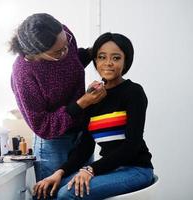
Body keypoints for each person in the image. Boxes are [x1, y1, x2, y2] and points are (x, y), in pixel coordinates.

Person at [33, 32, 154, 200]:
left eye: (116, 58)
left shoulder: (133, 92)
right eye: (101, 57)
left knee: (67, 195)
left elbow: (131, 146)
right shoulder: (93, 96)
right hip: (110, 170)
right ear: (95, 60)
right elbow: (85, 146)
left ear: (126, 61)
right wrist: (59, 173)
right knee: (48, 191)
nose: (108, 63)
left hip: (135, 169)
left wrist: (90, 169)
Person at [9, 13, 107, 182]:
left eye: (66, 43)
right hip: (53, 143)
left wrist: (95, 52)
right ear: (37, 54)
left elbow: (72, 63)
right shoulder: (24, 74)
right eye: (59, 52)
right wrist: (83, 103)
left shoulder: (63, 36)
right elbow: (43, 126)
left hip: (82, 133)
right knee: (55, 194)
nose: (66, 51)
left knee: (83, 191)